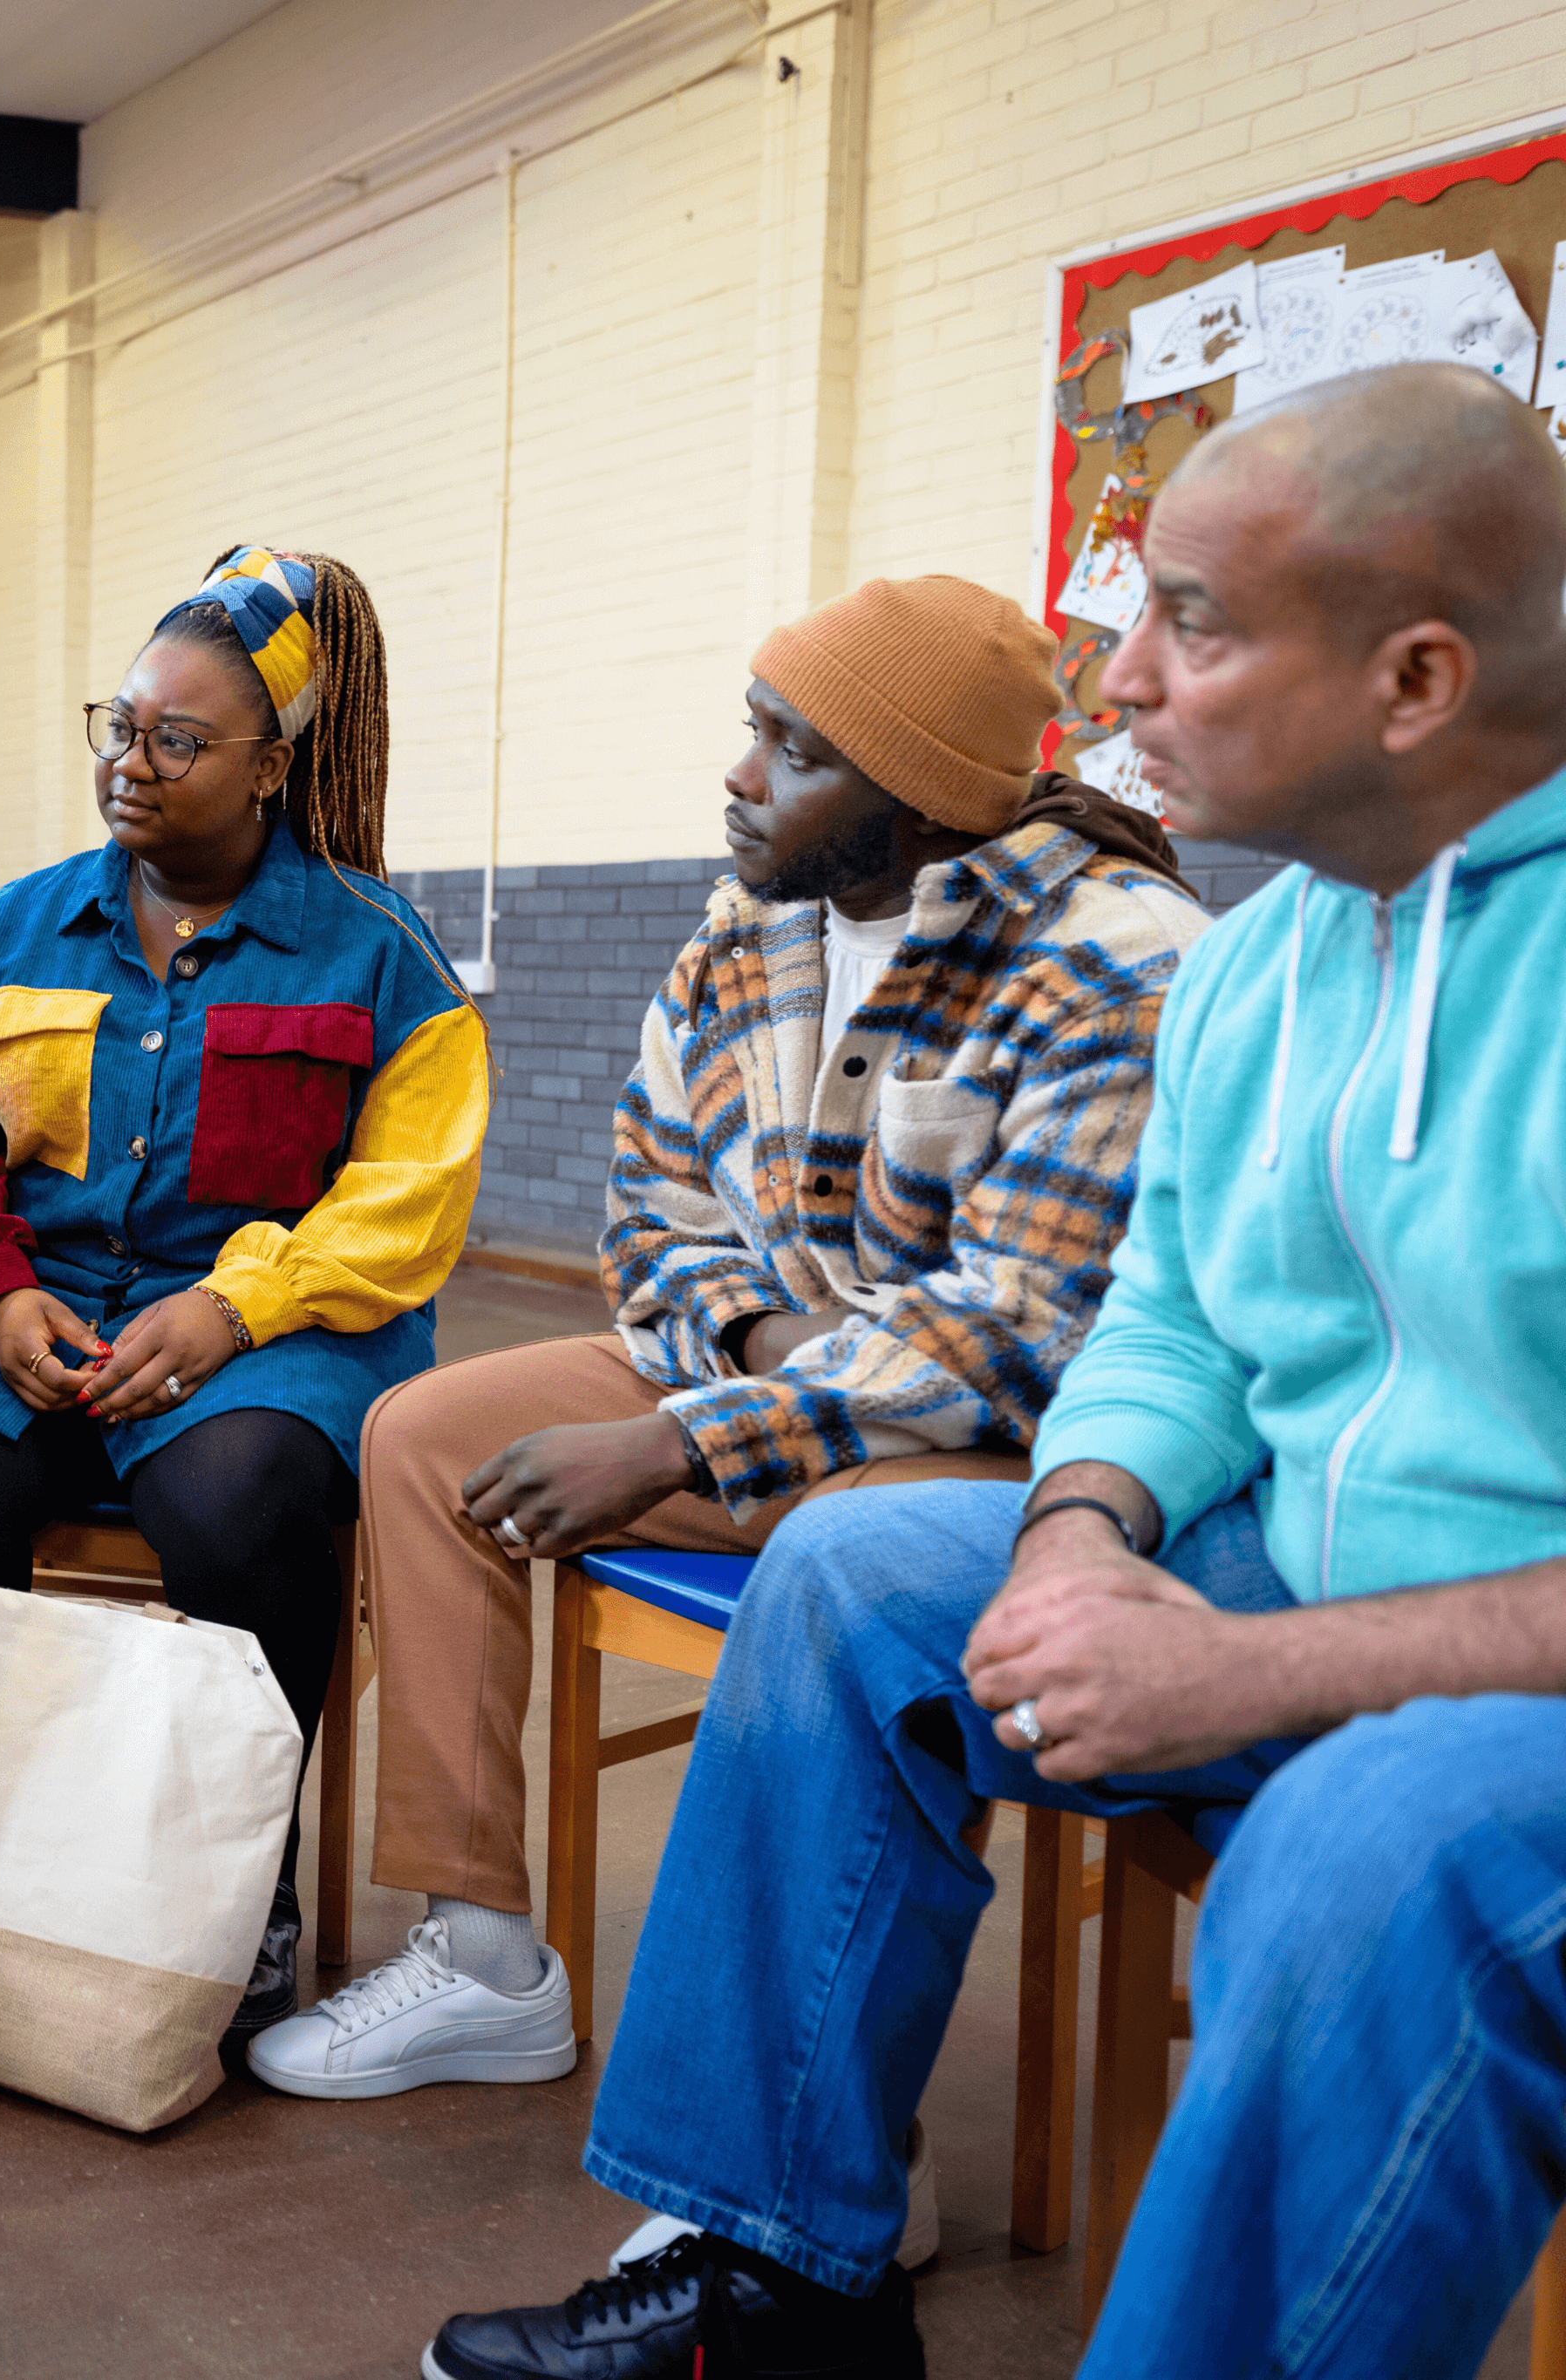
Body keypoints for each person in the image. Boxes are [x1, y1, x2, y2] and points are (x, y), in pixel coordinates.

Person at [427, 360, 1566, 2380]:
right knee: (859, 1582)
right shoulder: (1274, 961)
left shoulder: (1154, 950)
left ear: (1411, 681)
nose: (1116, 684)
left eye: (1187, 623)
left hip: (1496, 1682)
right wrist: (1075, 1527)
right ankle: (771, 2279)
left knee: (1363, 1848)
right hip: (1289, 1567)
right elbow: (1172, 1324)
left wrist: (1242, 1669)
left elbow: (1019, 1320)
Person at [259, 575, 1208, 2108]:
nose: (742, 773)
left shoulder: (1115, 957)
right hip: (768, 1381)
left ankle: (810, 2101)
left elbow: (1018, 1331)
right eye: (751, 728)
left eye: (794, 747)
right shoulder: (745, 929)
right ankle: (484, 1954)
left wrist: (688, 1434)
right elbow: (652, 1206)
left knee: (852, 1564)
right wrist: (760, 1351)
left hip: (1006, 1448)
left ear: (912, 793)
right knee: (426, 1437)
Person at [0, 544, 485, 2042]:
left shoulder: (379, 953)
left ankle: (231, 1898)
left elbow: (407, 1201)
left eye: (178, 741)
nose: (130, 767)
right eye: (119, 727)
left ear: (274, 767)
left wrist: (236, 1307)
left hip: (265, 1332)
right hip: (30, 1309)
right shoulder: (16, 930)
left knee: (245, 1496)